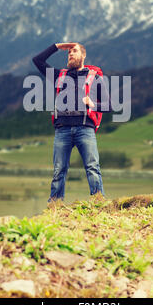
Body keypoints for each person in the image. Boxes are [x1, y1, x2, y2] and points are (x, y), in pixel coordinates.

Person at [32, 42, 112, 204]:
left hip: (85, 129)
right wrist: (57, 46)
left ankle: (99, 203)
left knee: (92, 167)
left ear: (83, 56)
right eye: (68, 53)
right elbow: (37, 60)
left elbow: (109, 106)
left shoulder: (94, 77)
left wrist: (93, 104)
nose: (70, 54)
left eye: (74, 51)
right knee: (59, 170)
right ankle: (55, 205)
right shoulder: (58, 75)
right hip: (62, 130)